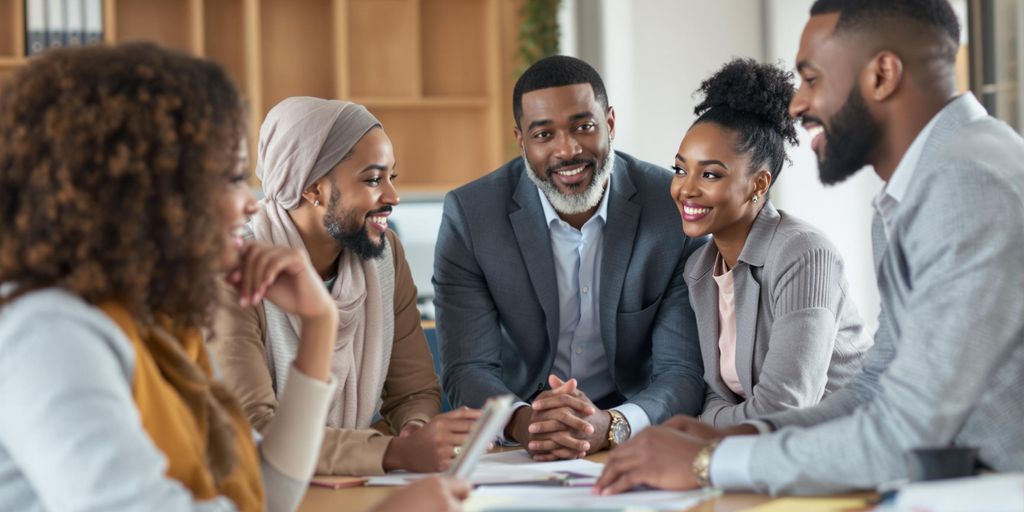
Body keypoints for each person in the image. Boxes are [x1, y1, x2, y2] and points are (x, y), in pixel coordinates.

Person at [0, 43, 468, 511]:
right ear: (143, 190)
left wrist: (318, 324)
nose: (250, 202)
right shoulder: (48, 333)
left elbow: (266, 491)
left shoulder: (160, 323)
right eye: (227, 179)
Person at [596, 0, 1024, 496]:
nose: (798, 105)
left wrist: (712, 461)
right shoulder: (914, 192)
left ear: (882, 74)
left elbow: (908, 429)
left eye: (813, 79)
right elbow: (875, 385)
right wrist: (742, 433)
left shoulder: (966, 180)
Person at [434, 55, 706, 461]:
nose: (568, 150)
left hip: (633, 430)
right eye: (544, 135)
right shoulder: (472, 216)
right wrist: (528, 422)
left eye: (584, 126)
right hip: (519, 435)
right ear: (521, 140)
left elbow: (681, 371)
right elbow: (467, 368)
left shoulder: (671, 206)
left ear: (610, 124)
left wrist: (613, 425)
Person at [208, 96, 480, 477]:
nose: (392, 197)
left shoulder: (384, 257)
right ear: (312, 188)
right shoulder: (236, 274)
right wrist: (394, 454)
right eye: (372, 179)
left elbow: (413, 392)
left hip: (353, 483)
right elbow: (255, 428)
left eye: (391, 177)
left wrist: (415, 432)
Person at [672, 58, 870, 428]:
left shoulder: (804, 254)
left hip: (850, 445)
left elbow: (787, 407)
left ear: (759, 185)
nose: (687, 189)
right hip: (765, 452)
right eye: (680, 169)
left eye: (710, 174)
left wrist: (707, 426)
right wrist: (716, 422)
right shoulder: (698, 270)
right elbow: (714, 392)